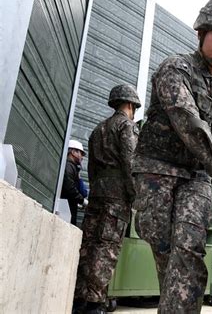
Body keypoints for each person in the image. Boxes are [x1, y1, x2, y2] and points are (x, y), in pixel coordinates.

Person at [131, 0, 212, 311]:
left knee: (190, 249)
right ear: (201, 34)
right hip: (157, 170)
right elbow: (187, 119)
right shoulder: (175, 67)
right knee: (164, 246)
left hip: (195, 177)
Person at [73, 84, 141, 314]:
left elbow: (91, 169)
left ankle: (79, 298)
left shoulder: (97, 130)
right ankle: (94, 303)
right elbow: (130, 163)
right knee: (106, 247)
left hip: (97, 194)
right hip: (117, 196)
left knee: (88, 244)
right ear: (131, 105)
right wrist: (136, 196)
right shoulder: (126, 126)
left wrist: (95, 190)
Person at [60, 139, 88, 226]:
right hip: (65, 209)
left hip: (68, 208)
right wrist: (82, 201)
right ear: (73, 152)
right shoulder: (69, 167)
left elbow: (82, 191)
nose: (82, 157)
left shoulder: (73, 168)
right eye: (80, 153)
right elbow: (69, 187)